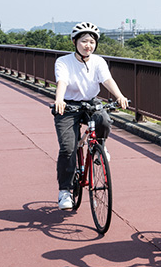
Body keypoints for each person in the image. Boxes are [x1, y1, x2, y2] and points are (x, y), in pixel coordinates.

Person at [53, 22, 129, 210]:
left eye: (92, 41)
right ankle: (65, 191)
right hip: (68, 106)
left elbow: (107, 80)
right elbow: (62, 81)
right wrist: (59, 100)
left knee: (103, 118)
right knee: (68, 149)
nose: (88, 45)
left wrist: (119, 96)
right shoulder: (63, 61)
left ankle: (99, 148)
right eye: (84, 41)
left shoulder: (98, 61)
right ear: (74, 42)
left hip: (90, 102)